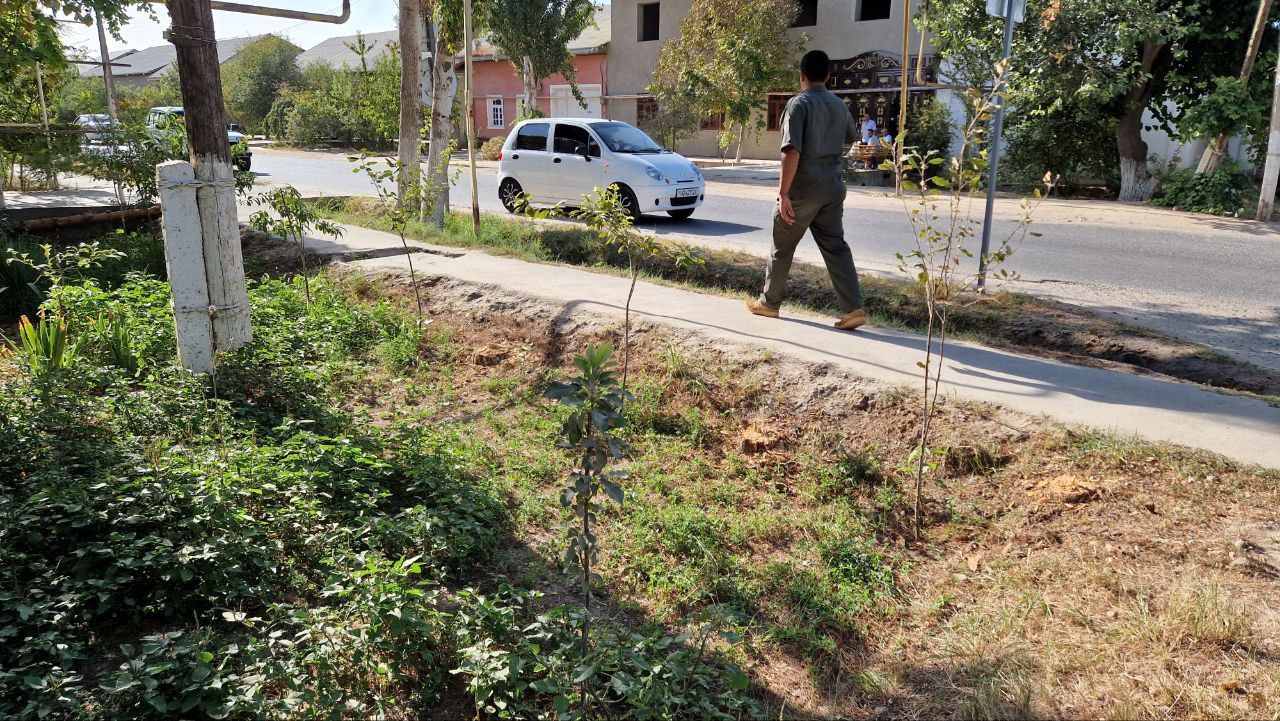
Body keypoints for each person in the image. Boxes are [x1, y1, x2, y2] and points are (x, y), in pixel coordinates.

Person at [746, 49, 866, 330]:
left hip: (803, 189)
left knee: (782, 246)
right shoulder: (838, 105)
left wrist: (784, 193)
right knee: (836, 247)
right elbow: (850, 138)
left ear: (801, 75)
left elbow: (791, 150)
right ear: (827, 76)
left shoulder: (798, 105)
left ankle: (769, 303)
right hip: (833, 188)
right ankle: (853, 309)